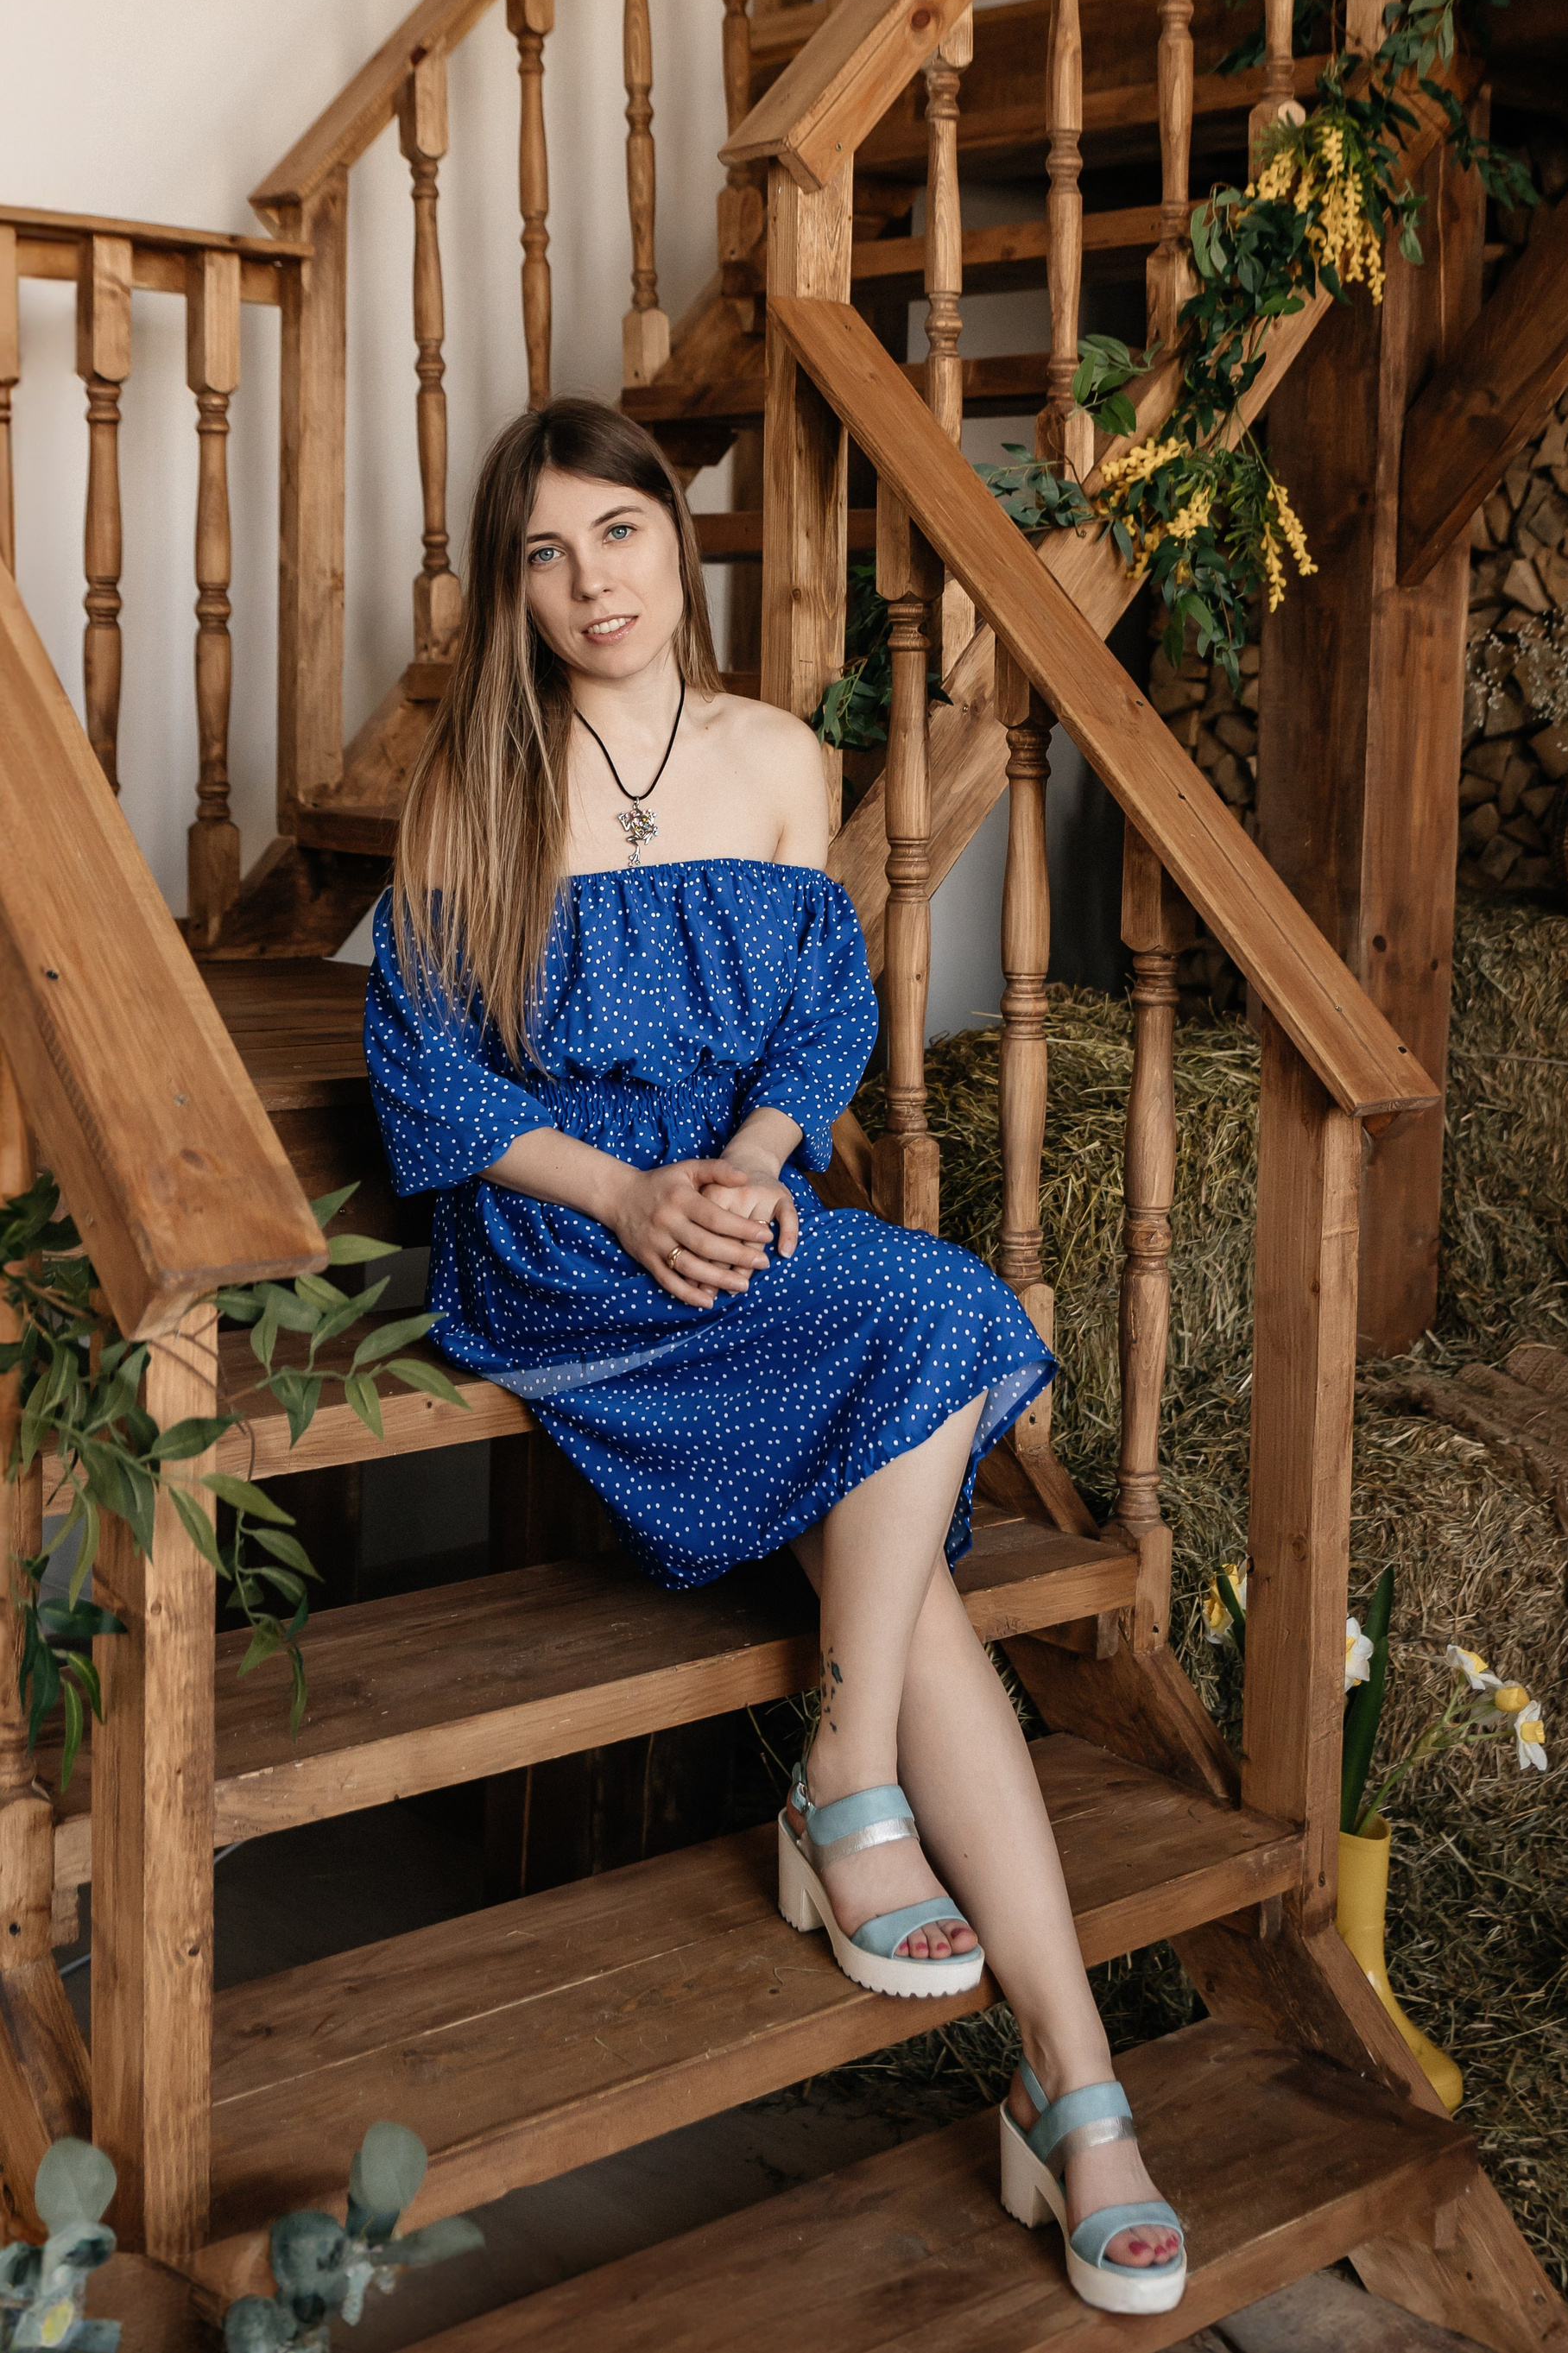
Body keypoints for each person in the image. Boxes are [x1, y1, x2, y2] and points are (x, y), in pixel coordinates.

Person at [364, 398, 1186, 2318]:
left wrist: (740, 1170)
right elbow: (434, 1085)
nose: (593, 584)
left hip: (737, 1220)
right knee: (931, 1334)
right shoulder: (471, 791)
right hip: (565, 1244)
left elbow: (819, 1030)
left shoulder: (780, 758)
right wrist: (629, 1196)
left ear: (676, 534)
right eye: (546, 554)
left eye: (620, 534)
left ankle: (998, 1976)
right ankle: (1048, 2060)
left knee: (926, 1322)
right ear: (511, 590)